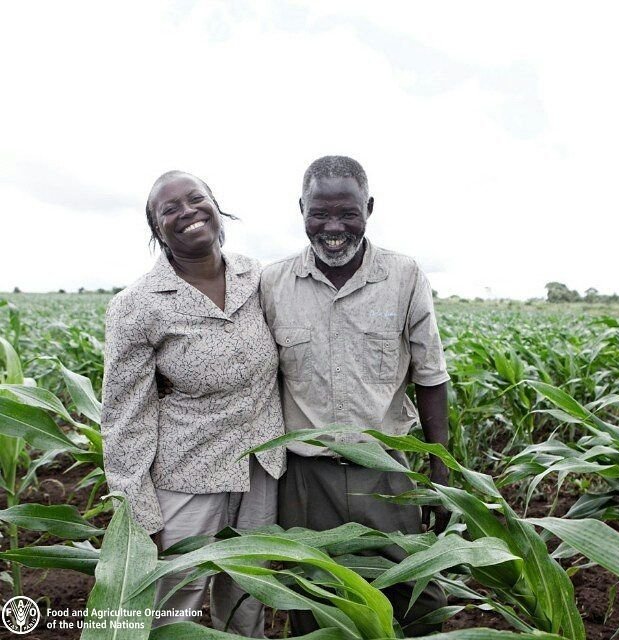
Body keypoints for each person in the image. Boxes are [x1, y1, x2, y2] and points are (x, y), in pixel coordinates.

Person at [259, 155, 449, 636]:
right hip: (306, 479)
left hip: (385, 470)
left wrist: (440, 470)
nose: (334, 227)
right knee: (315, 604)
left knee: (414, 597)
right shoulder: (273, 283)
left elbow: (430, 376)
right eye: (319, 214)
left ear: (369, 207)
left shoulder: (404, 276)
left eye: (347, 213)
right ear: (301, 208)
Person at [101, 170, 286, 636]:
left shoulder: (257, 277)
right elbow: (124, 415)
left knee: (248, 595)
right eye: (169, 209)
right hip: (188, 474)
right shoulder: (139, 305)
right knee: (174, 602)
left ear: (215, 205)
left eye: (195, 198)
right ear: (156, 229)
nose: (187, 211)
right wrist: (137, 512)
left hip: (262, 465)